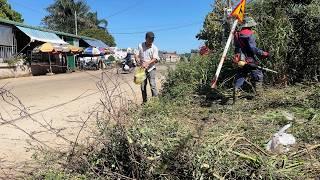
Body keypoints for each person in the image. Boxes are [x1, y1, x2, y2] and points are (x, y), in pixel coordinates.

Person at [233, 17, 269, 97]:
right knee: (258, 74)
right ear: (250, 24)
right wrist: (263, 53)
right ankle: (259, 95)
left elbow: (236, 47)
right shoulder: (249, 33)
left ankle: (236, 90)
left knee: (241, 74)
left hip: (239, 59)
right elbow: (253, 48)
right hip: (249, 58)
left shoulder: (237, 34)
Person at [135, 32, 159, 103]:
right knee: (142, 86)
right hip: (142, 69)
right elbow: (136, 54)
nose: (151, 40)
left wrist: (147, 63)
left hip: (151, 68)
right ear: (146, 38)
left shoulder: (155, 48)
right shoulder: (140, 45)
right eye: (150, 39)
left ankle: (155, 102)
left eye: (152, 39)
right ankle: (144, 102)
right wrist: (137, 59)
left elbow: (155, 58)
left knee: (152, 85)